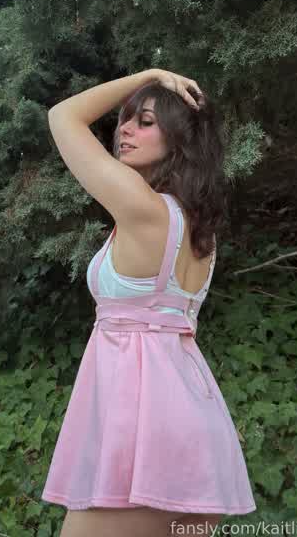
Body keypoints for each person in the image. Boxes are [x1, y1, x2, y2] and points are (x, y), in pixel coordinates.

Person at [41, 69, 257, 536]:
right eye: (126, 119)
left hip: (145, 439)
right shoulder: (199, 231)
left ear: (178, 138)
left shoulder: (144, 210)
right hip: (195, 430)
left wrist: (149, 75)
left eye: (145, 122)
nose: (124, 130)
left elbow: (63, 117)